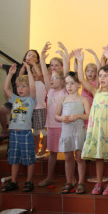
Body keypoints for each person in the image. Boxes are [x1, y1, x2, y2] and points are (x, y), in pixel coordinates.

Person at [78, 46, 108, 196]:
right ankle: (99, 182)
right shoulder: (95, 91)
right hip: (96, 130)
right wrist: (80, 61)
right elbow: (82, 79)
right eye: (100, 75)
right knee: (98, 156)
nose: (102, 78)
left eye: (105, 75)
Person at [1, 63, 36, 192]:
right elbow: (5, 89)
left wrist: (29, 71)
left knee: (29, 159)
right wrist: (10, 74)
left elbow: (32, 86)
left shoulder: (31, 100)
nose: (20, 88)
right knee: (14, 159)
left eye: (23, 86)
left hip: (25, 134)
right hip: (14, 134)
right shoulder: (15, 99)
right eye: (18, 86)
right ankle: (14, 181)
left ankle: (29, 181)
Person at [38, 42, 68, 187]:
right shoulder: (50, 89)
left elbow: (66, 73)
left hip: (64, 126)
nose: (53, 68)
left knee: (68, 153)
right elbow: (45, 74)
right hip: (52, 125)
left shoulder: (66, 89)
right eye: (52, 65)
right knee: (52, 153)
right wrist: (43, 59)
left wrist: (66, 56)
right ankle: (50, 177)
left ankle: (70, 180)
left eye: (57, 65)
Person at [55, 70, 90, 194]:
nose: (69, 86)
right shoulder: (62, 99)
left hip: (78, 131)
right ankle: (69, 181)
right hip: (67, 131)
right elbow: (56, 115)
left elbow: (89, 115)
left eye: (72, 83)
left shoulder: (83, 99)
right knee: (68, 157)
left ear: (79, 84)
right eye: (67, 83)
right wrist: (61, 118)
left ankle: (81, 182)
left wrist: (79, 115)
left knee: (79, 157)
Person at [0, 50, 40, 141]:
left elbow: (36, 81)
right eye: (29, 55)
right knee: (0, 109)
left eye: (34, 56)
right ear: (25, 57)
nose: (31, 57)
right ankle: (5, 130)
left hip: (29, 103)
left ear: (37, 60)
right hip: (16, 101)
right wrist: (11, 73)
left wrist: (31, 69)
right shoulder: (17, 68)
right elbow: (6, 88)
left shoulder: (36, 70)